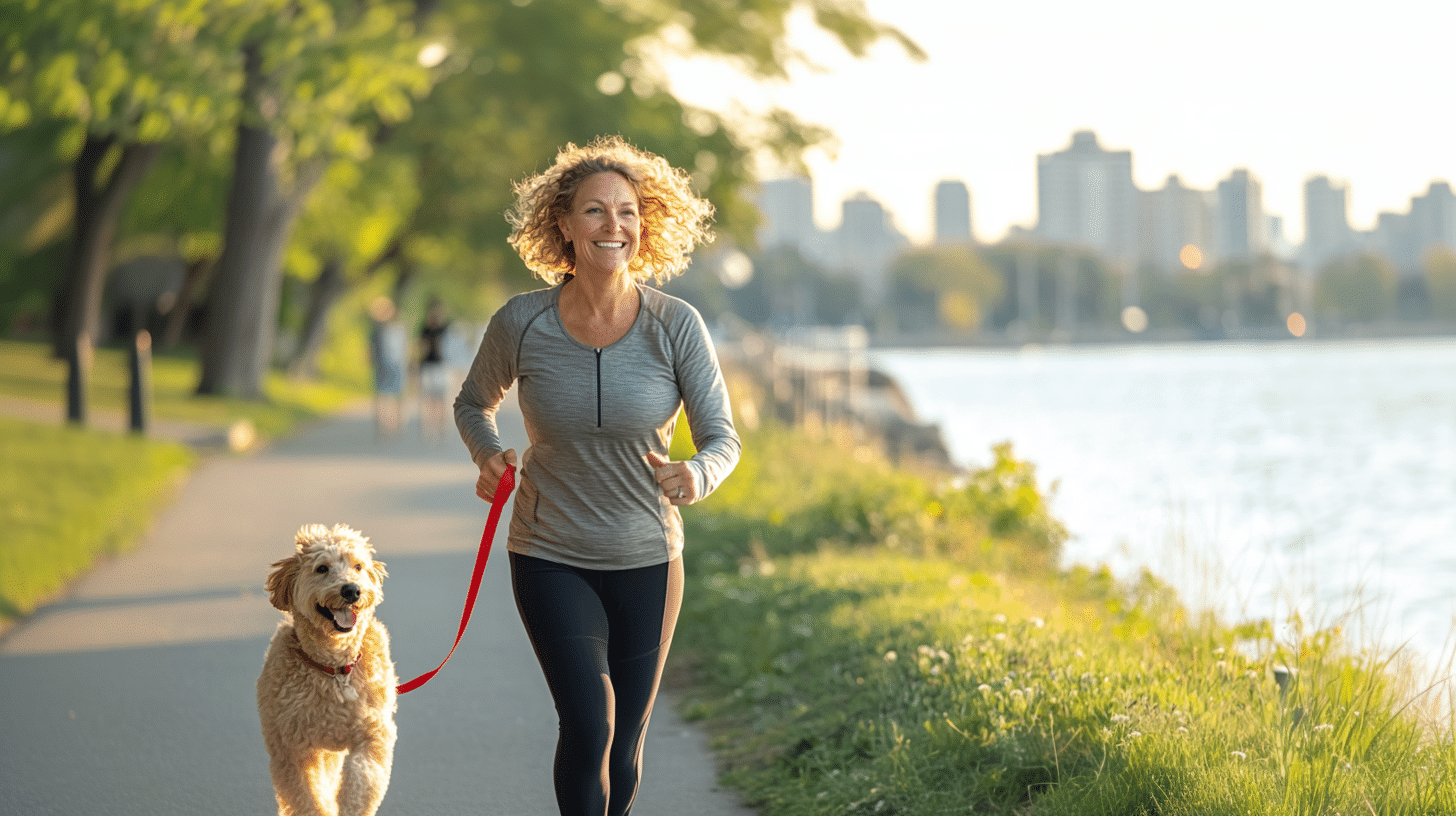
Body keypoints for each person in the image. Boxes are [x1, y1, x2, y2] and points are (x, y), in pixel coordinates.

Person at [453, 135, 739, 816]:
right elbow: (473, 403)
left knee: (625, 746)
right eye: (595, 211)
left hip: (648, 558)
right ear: (563, 225)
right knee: (589, 722)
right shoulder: (522, 322)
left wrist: (697, 474)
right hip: (551, 554)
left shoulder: (677, 326)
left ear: (646, 226)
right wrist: (487, 452)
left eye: (628, 212)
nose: (615, 226)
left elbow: (722, 439)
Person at [367, 295, 407, 439]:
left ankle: (396, 426)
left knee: (397, 397)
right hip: (382, 367)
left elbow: (404, 348)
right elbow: (371, 350)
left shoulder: (399, 328)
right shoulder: (376, 330)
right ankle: (382, 428)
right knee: (382, 397)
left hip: (397, 366)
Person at [417, 296, 453, 441]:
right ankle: (429, 430)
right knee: (428, 400)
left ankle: (442, 429)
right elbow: (420, 348)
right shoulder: (424, 329)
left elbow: (451, 349)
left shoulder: (446, 329)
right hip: (427, 366)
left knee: (442, 400)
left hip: (441, 367)